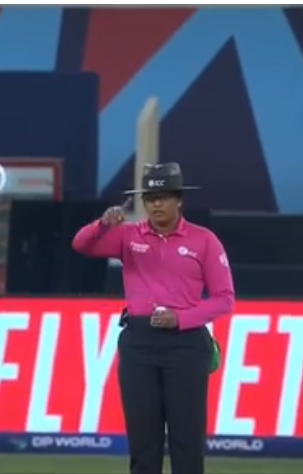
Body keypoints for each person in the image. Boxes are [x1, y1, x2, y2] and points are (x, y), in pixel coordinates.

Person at [71, 163, 234, 474]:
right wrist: (102, 225)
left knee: (187, 440)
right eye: (150, 198)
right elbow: (81, 244)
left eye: (164, 197)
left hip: (186, 345)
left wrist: (181, 319)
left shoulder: (204, 241)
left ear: (179, 200)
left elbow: (224, 299)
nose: (156, 204)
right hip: (139, 344)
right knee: (143, 441)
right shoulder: (128, 236)